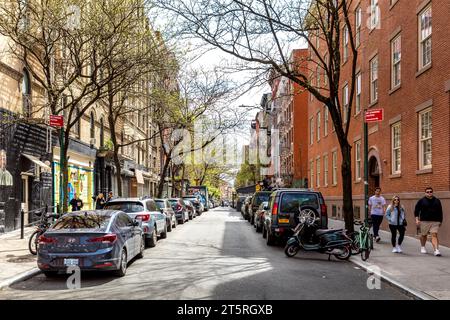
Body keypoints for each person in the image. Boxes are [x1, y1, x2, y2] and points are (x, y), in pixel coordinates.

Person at [414, 187, 443, 256]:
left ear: (432, 192)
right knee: (424, 235)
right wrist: (417, 219)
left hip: (435, 221)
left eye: (430, 191)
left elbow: (440, 211)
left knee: (434, 234)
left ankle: (436, 250)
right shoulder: (421, 201)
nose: (429, 193)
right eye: (427, 192)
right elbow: (416, 211)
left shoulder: (437, 200)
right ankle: (423, 247)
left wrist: (440, 221)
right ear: (425, 193)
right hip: (424, 221)